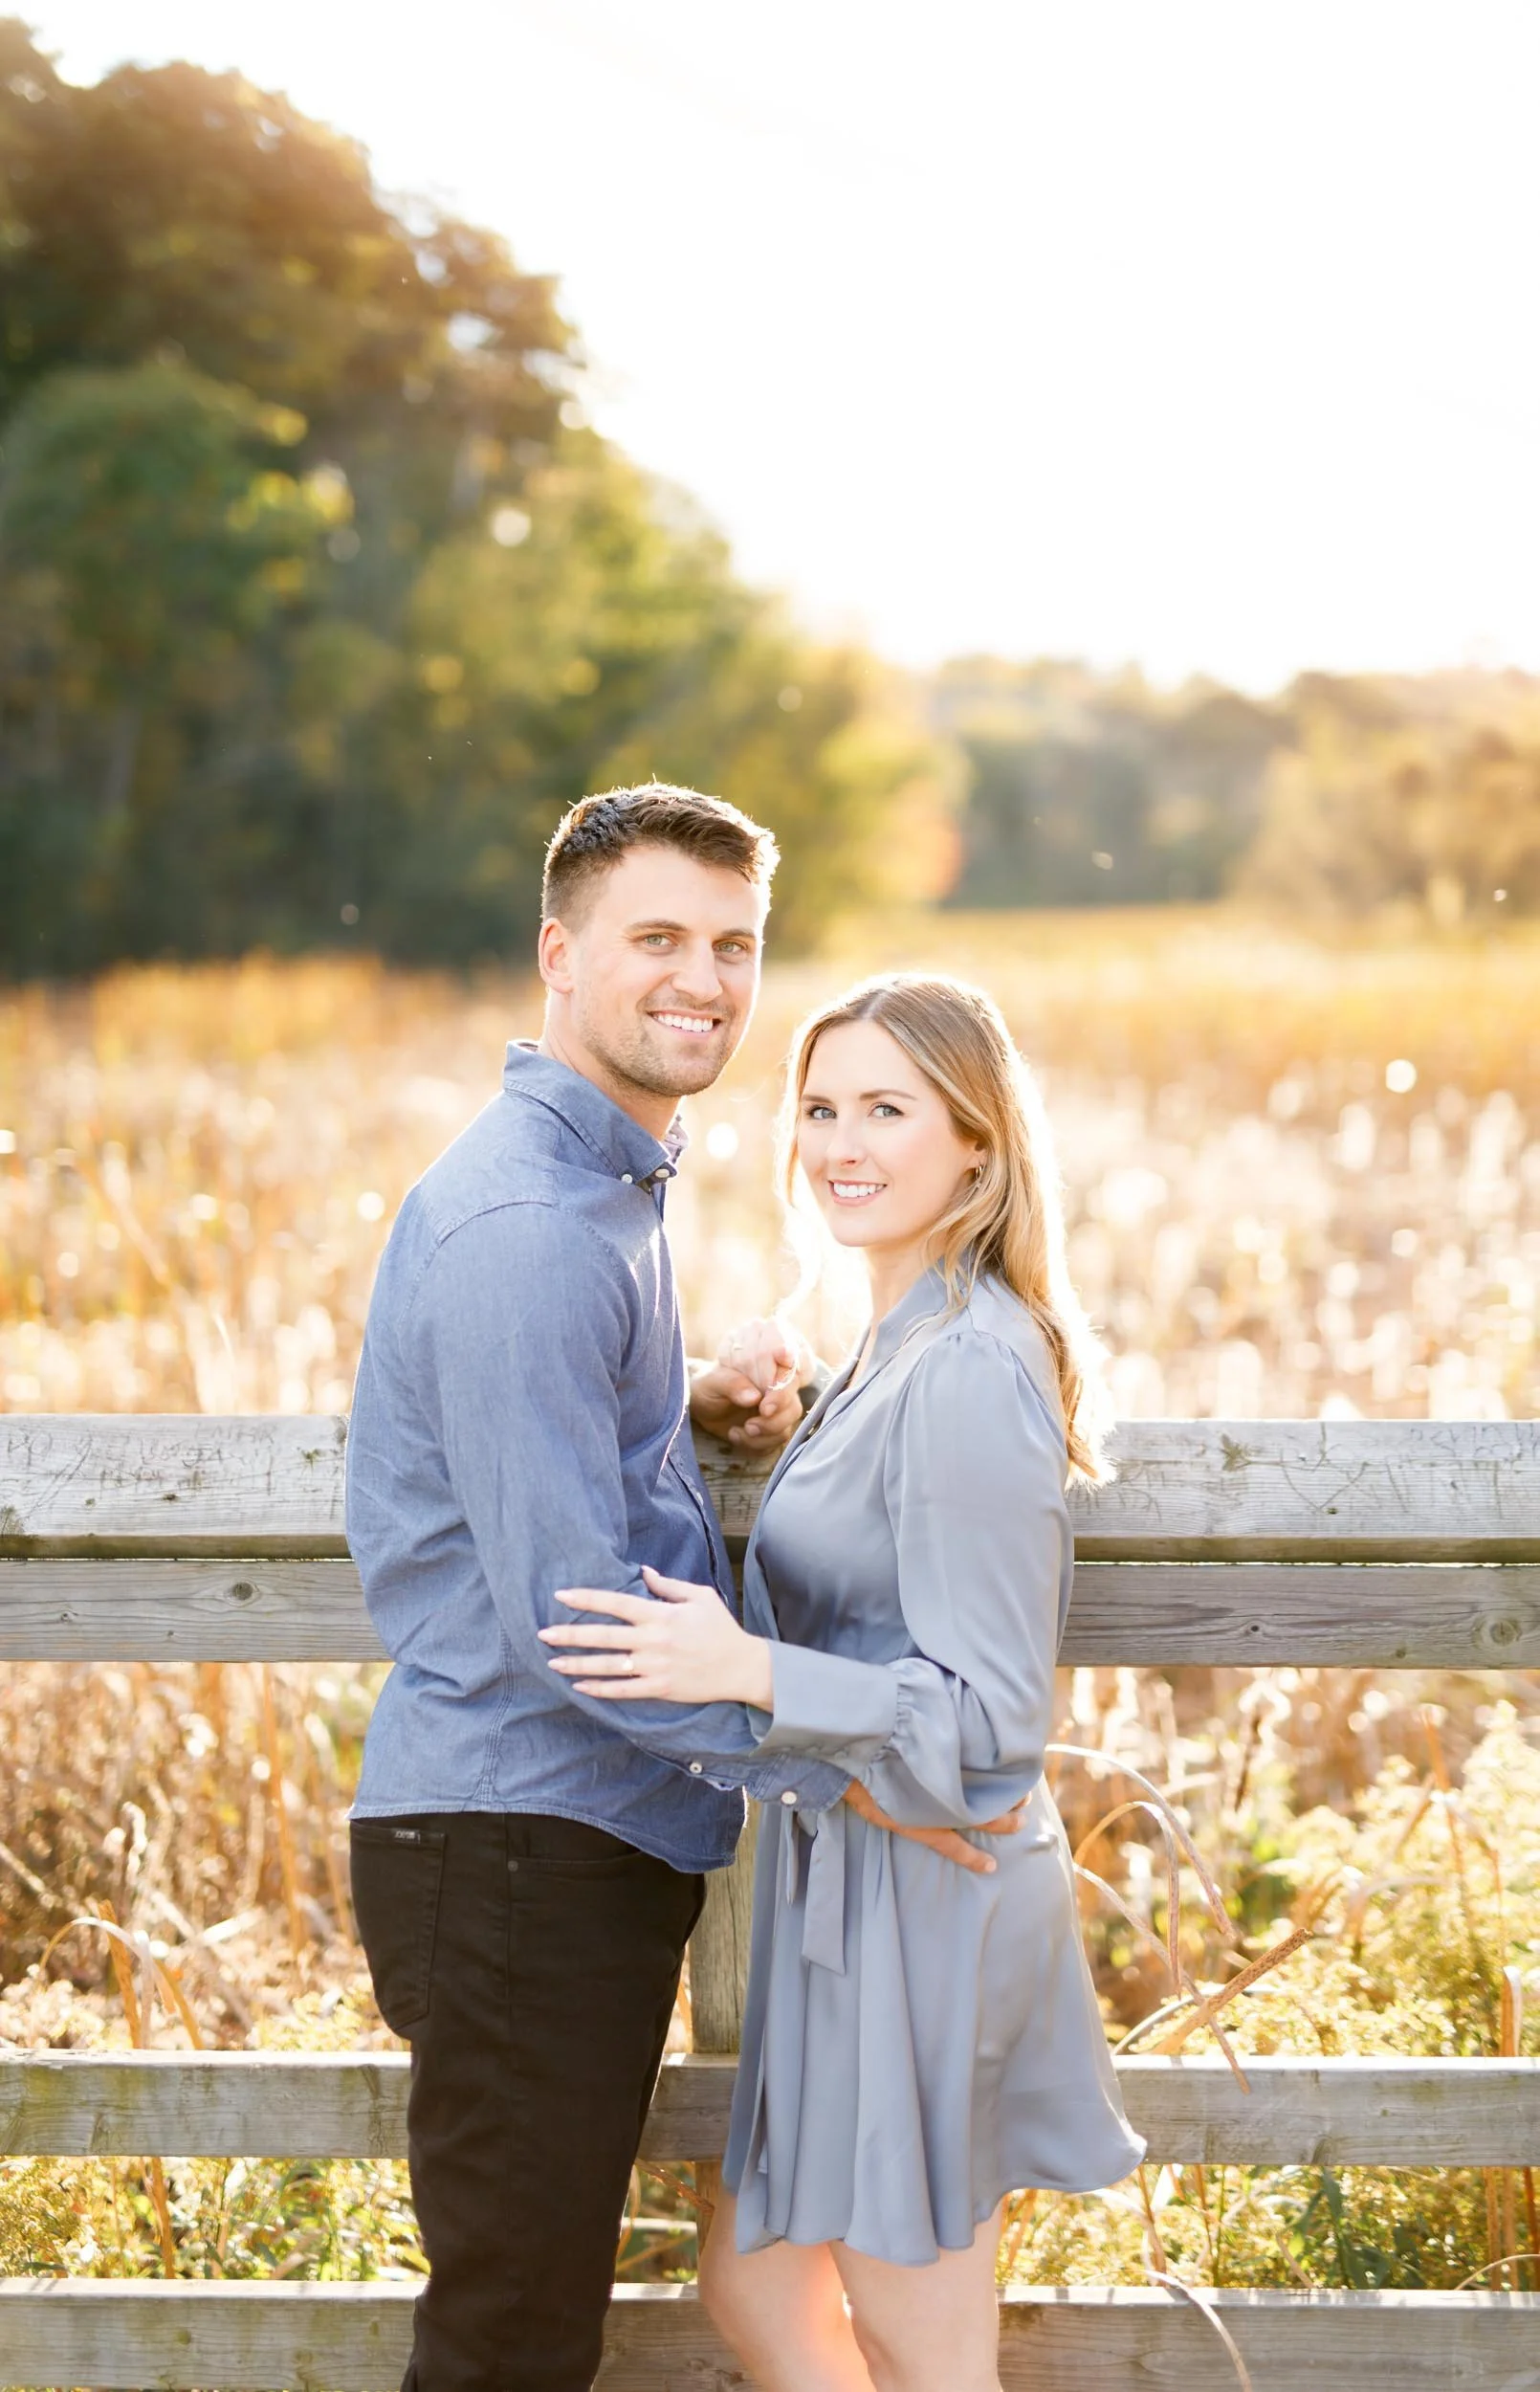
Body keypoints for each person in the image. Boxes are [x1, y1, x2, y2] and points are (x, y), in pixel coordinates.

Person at [344, 788, 1016, 2392]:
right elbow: (580, 1619)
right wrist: (858, 1772)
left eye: (734, 944)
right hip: (518, 1841)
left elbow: (557, 1474)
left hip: (554, 1840)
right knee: (509, 2341)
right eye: (657, 938)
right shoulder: (529, 1226)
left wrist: (677, 1420)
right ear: (558, 955)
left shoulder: (603, 1193)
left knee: (534, 2319)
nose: (703, 979)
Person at [539, 973, 1146, 2392]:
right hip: (851, 1884)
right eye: (818, 1108)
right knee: (757, 2292)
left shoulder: (972, 1369)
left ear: (978, 1147)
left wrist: (743, 1666)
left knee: (921, 2350)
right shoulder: (893, 1342)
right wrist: (754, 1412)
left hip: (926, 1910)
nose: (840, 1144)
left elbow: (986, 1728)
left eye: (887, 1108)